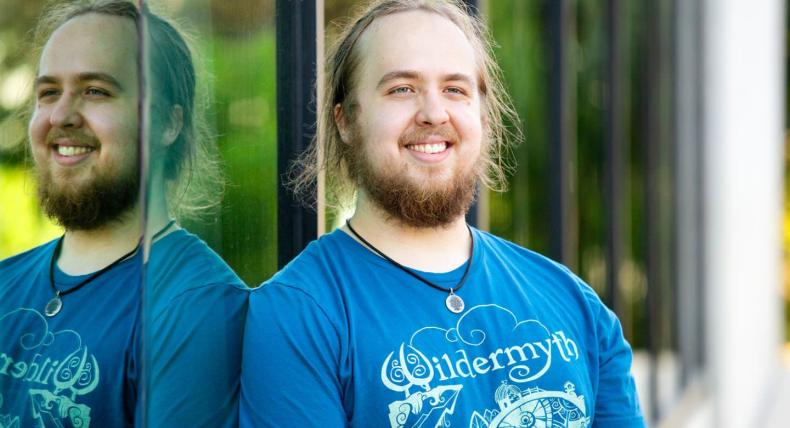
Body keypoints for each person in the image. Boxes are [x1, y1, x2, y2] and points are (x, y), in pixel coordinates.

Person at [240, 0, 645, 427]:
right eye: (401, 88)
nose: (434, 113)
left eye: (455, 89)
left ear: (482, 116)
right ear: (345, 121)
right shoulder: (298, 317)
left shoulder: (574, 303)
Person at [0, 1, 248, 427]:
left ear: (167, 125)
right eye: (48, 92)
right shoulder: (6, 281)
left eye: (96, 90)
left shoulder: (199, 307)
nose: (61, 115)